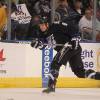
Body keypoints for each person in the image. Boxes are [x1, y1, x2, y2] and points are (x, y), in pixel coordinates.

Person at [31, 17, 100, 93]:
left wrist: (75, 37)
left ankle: (51, 86)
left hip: (70, 46)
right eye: (40, 25)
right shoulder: (41, 33)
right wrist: (37, 43)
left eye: (43, 25)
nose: (41, 27)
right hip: (70, 49)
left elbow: (71, 28)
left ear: (47, 24)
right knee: (80, 72)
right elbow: (43, 44)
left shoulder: (56, 26)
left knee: (55, 63)